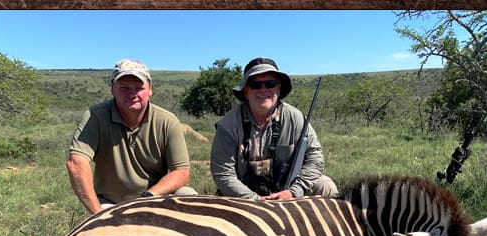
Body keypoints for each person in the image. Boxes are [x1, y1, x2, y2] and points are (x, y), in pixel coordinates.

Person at [67, 59, 197, 214]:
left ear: (150, 89)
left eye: (138, 87)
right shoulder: (95, 117)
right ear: (112, 89)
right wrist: (98, 215)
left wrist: (149, 196)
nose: (132, 94)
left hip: (155, 197)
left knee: (190, 198)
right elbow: (76, 163)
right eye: (124, 88)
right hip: (111, 203)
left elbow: (181, 172)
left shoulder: (167, 121)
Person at [210, 57, 338, 200]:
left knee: (326, 186)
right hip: (244, 198)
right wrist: (255, 200)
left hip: (287, 191)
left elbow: (315, 159)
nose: (263, 89)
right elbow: (223, 173)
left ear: (279, 88)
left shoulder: (296, 118)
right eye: (255, 85)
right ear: (246, 91)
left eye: (270, 83)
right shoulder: (228, 124)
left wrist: (293, 191)